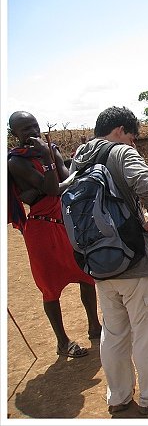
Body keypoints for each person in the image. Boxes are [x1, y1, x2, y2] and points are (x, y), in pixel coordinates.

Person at [70, 106, 148, 415]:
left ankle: (118, 397)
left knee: (114, 333)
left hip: (99, 263)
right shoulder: (120, 153)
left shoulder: (79, 160)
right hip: (134, 262)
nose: (133, 145)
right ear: (120, 130)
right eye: (133, 137)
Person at [7, 111, 102, 359]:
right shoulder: (16, 162)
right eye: (25, 129)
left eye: (34, 126)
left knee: (85, 275)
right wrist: (50, 162)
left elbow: (64, 178)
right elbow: (53, 186)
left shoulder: (50, 149)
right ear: (14, 134)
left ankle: (95, 326)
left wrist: (60, 172)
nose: (32, 132)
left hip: (66, 222)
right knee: (50, 288)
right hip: (41, 230)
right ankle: (62, 341)